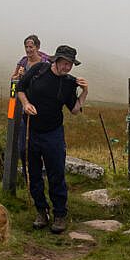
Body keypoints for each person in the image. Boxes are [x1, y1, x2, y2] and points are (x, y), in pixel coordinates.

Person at [16, 45, 88, 234]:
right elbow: (21, 88)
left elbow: (74, 110)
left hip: (53, 133)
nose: (67, 68)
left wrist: (85, 93)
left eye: (70, 65)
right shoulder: (38, 70)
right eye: (64, 63)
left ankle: (59, 214)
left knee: (56, 173)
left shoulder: (69, 83)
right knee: (32, 172)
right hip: (31, 129)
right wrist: (26, 104)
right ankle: (41, 211)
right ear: (56, 60)